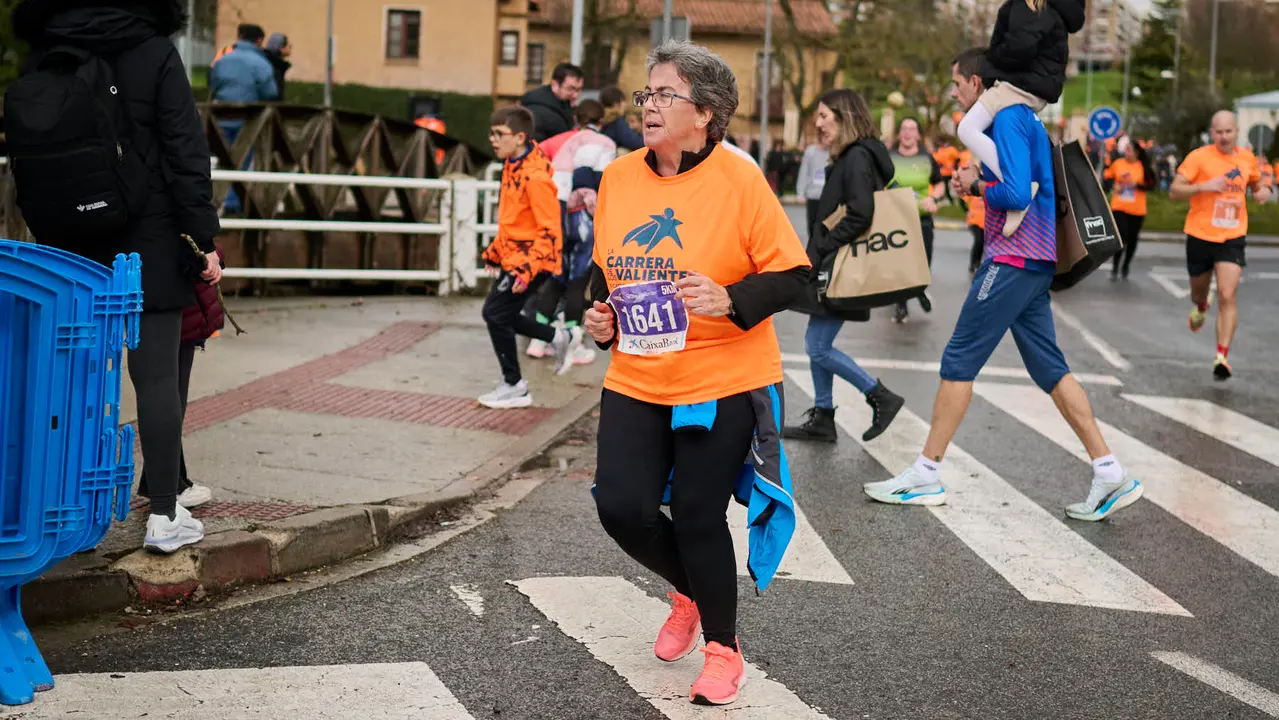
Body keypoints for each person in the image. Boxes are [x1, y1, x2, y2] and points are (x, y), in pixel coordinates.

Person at [583, 40, 810, 706]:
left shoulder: (739, 180)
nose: (648, 106)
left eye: (664, 95)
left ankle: (722, 647)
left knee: (695, 513)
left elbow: (796, 276)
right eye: (645, 95)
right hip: (637, 374)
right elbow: (606, 272)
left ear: (704, 113)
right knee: (620, 507)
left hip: (720, 375)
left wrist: (732, 299)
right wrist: (601, 321)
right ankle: (688, 588)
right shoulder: (619, 177)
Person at [864, 48, 1142, 523]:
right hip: (1032, 260)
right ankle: (1109, 470)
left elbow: (1018, 191)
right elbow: (1024, 180)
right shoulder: (1020, 120)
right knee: (1048, 367)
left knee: (958, 359)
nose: (954, 93)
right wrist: (979, 177)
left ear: (976, 82)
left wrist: (975, 186)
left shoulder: (1009, 117)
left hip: (1013, 259)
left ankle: (926, 473)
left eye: (956, 84)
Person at [12, 0, 223, 552]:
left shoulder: (45, 48)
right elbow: (184, 148)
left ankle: (61, 513)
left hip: (66, 235)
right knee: (154, 375)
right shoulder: (153, 50)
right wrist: (202, 237)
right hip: (148, 232)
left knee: (71, 377)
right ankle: (164, 516)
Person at [782, 89, 905, 445]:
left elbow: (861, 214)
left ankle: (878, 395)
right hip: (832, 266)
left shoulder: (857, 158)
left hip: (839, 268)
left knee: (818, 346)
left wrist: (822, 244)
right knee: (815, 341)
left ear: (844, 116)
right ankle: (823, 417)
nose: (818, 124)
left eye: (824, 116)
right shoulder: (853, 157)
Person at [956, 0, 1085, 235]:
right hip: (1036, 87)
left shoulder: (1026, 6)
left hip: (1017, 84)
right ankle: (1016, 183)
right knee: (974, 130)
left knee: (966, 129)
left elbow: (1020, 46)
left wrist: (992, 61)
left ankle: (1015, 184)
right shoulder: (1053, 10)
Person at [478, 106, 573, 408]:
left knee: (495, 314)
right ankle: (556, 338)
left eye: (499, 134)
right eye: (491, 133)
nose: (493, 140)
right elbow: (514, 220)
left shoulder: (534, 176)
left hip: (534, 261)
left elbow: (550, 229)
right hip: (517, 258)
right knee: (500, 314)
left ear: (519, 137)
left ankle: (515, 385)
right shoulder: (513, 165)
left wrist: (527, 270)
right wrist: (495, 253)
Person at [1170, 110, 1273, 380]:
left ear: (1236, 131)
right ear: (1211, 133)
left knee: (1228, 294)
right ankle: (1202, 306)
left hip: (1232, 237)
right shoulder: (1199, 158)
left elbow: (1258, 183)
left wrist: (1264, 191)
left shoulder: (1246, 158)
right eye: (1219, 132)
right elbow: (1174, 190)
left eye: (1228, 131)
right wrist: (1204, 186)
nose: (1224, 136)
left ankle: (1221, 357)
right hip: (1200, 235)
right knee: (1198, 293)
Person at [527, 99, 617, 364]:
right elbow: (590, 180)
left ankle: (539, 340)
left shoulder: (566, 142)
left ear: (576, 120)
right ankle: (573, 344)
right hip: (582, 217)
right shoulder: (604, 143)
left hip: (556, 214)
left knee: (556, 279)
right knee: (578, 283)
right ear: (601, 121)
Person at [208, 23, 276, 213]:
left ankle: (216, 202)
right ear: (259, 40)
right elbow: (270, 92)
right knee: (243, 161)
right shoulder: (261, 64)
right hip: (249, 121)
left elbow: (212, 84)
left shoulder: (222, 61)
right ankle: (233, 204)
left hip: (219, 120)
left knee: (224, 160)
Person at [889, 117, 944, 324]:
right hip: (896, 219)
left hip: (922, 219)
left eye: (912, 129)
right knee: (900, 264)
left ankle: (919, 290)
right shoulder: (889, 158)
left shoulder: (926, 158)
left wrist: (933, 198)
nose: (907, 133)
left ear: (918, 135)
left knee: (923, 263)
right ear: (899, 133)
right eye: (904, 128)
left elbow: (939, 184)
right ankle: (901, 306)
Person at [1105, 136, 1156, 280]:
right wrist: (1112, 185)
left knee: (1132, 240)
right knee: (1121, 236)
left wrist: (1137, 185)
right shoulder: (1118, 164)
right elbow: (1106, 178)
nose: (1127, 153)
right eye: (1125, 150)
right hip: (1119, 206)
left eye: (1129, 150)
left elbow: (1152, 186)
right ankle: (1115, 266)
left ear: (1137, 152)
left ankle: (1126, 264)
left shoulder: (1143, 167)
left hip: (1137, 209)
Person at [520, 62, 584, 143]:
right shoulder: (538, 112)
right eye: (570, 89)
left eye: (578, 90)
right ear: (555, 85)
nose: (576, 95)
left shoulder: (563, 104)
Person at [795, 130, 830, 239]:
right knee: (812, 228)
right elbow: (804, 172)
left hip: (827, 195)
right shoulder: (811, 151)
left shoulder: (832, 152)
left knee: (825, 228)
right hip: (813, 195)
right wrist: (800, 193)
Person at [599, 85, 646, 151]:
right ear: (616, 104)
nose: (625, 105)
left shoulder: (600, 119)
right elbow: (638, 143)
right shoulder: (616, 121)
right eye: (624, 101)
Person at [264, 32, 291, 101]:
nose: (290, 48)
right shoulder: (275, 66)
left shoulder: (276, 64)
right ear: (281, 48)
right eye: (289, 46)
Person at [933, 139, 961, 204]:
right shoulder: (939, 151)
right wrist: (941, 165)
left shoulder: (951, 149)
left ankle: (962, 199)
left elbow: (958, 159)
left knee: (958, 185)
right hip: (944, 173)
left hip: (953, 172)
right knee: (946, 188)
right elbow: (937, 162)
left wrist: (955, 167)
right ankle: (951, 201)